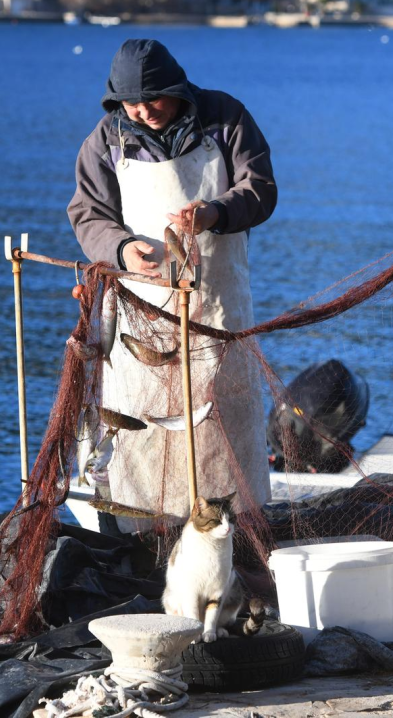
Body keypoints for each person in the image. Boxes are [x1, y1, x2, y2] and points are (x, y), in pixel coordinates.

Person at [68, 39, 277, 527]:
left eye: (154, 99)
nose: (143, 111)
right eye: (131, 103)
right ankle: (145, 534)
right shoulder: (105, 141)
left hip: (219, 308)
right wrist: (121, 249)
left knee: (222, 427)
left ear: (177, 88)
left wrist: (216, 212)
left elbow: (261, 188)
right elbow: (87, 214)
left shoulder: (225, 117)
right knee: (142, 433)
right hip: (139, 314)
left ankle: (235, 534)